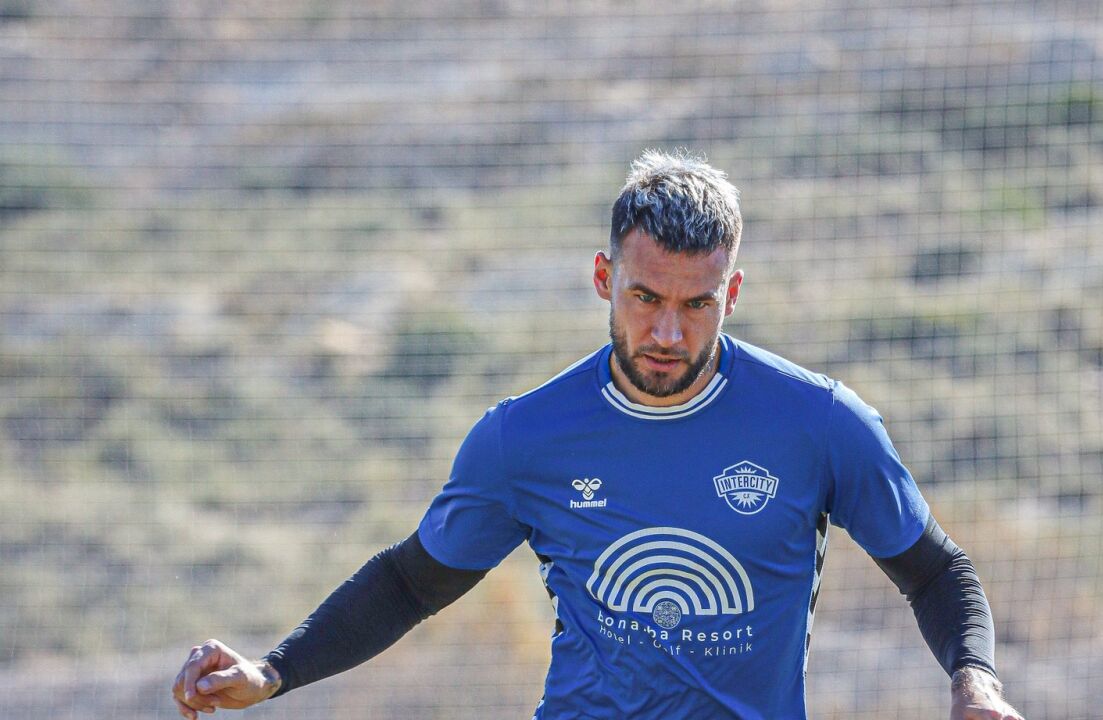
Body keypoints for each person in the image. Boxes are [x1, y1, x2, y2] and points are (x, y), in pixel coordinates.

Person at [172, 150, 1025, 720]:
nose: (667, 332)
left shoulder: (821, 423)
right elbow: (408, 583)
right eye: (645, 298)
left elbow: (935, 571)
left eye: (696, 304)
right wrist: (272, 672)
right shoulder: (525, 438)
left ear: (731, 296)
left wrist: (975, 678)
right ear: (603, 278)